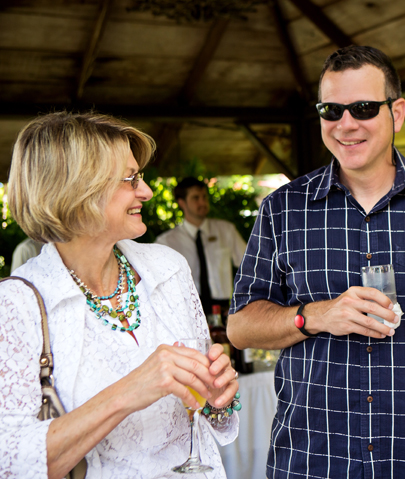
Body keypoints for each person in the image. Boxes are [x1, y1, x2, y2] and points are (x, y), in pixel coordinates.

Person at [227, 45, 405, 479]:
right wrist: (317, 316)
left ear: (397, 112)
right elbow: (240, 328)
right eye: (331, 110)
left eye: (362, 108)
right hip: (311, 462)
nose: (346, 124)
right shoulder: (282, 210)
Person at [0, 111, 240, 478]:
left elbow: (207, 413)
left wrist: (218, 399)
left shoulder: (169, 269)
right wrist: (129, 391)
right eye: (130, 179)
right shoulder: (16, 305)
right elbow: (12, 464)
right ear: (76, 191)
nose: (145, 191)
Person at [155, 177, 247, 316]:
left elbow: (250, 267)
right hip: (185, 312)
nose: (202, 202)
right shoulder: (166, 242)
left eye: (204, 197)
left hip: (223, 311)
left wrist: (243, 302)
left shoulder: (226, 230)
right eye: (195, 198)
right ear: (182, 203)